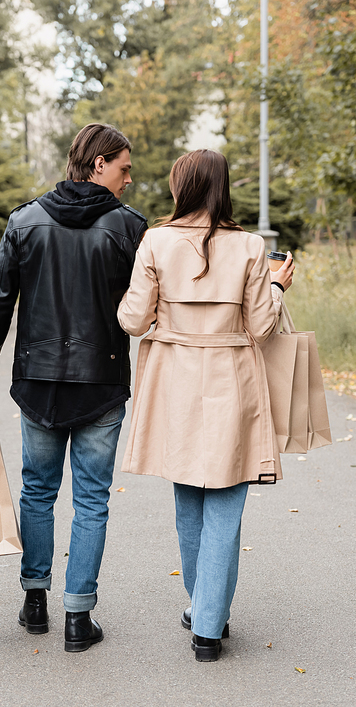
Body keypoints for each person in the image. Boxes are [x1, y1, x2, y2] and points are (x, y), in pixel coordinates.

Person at [0, 123, 147, 652]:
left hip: (38, 382)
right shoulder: (128, 228)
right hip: (102, 383)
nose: (129, 179)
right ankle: (78, 617)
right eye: (123, 168)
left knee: (38, 492)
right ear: (97, 164)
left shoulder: (25, 221)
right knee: (91, 501)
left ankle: (34, 602)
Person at [117, 149, 294, 662]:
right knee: (225, 504)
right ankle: (208, 627)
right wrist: (278, 287)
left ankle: (202, 608)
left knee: (188, 501)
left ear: (183, 186)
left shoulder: (155, 239)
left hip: (173, 379)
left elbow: (132, 320)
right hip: (231, 378)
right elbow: (262, 327)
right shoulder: (250, 247)